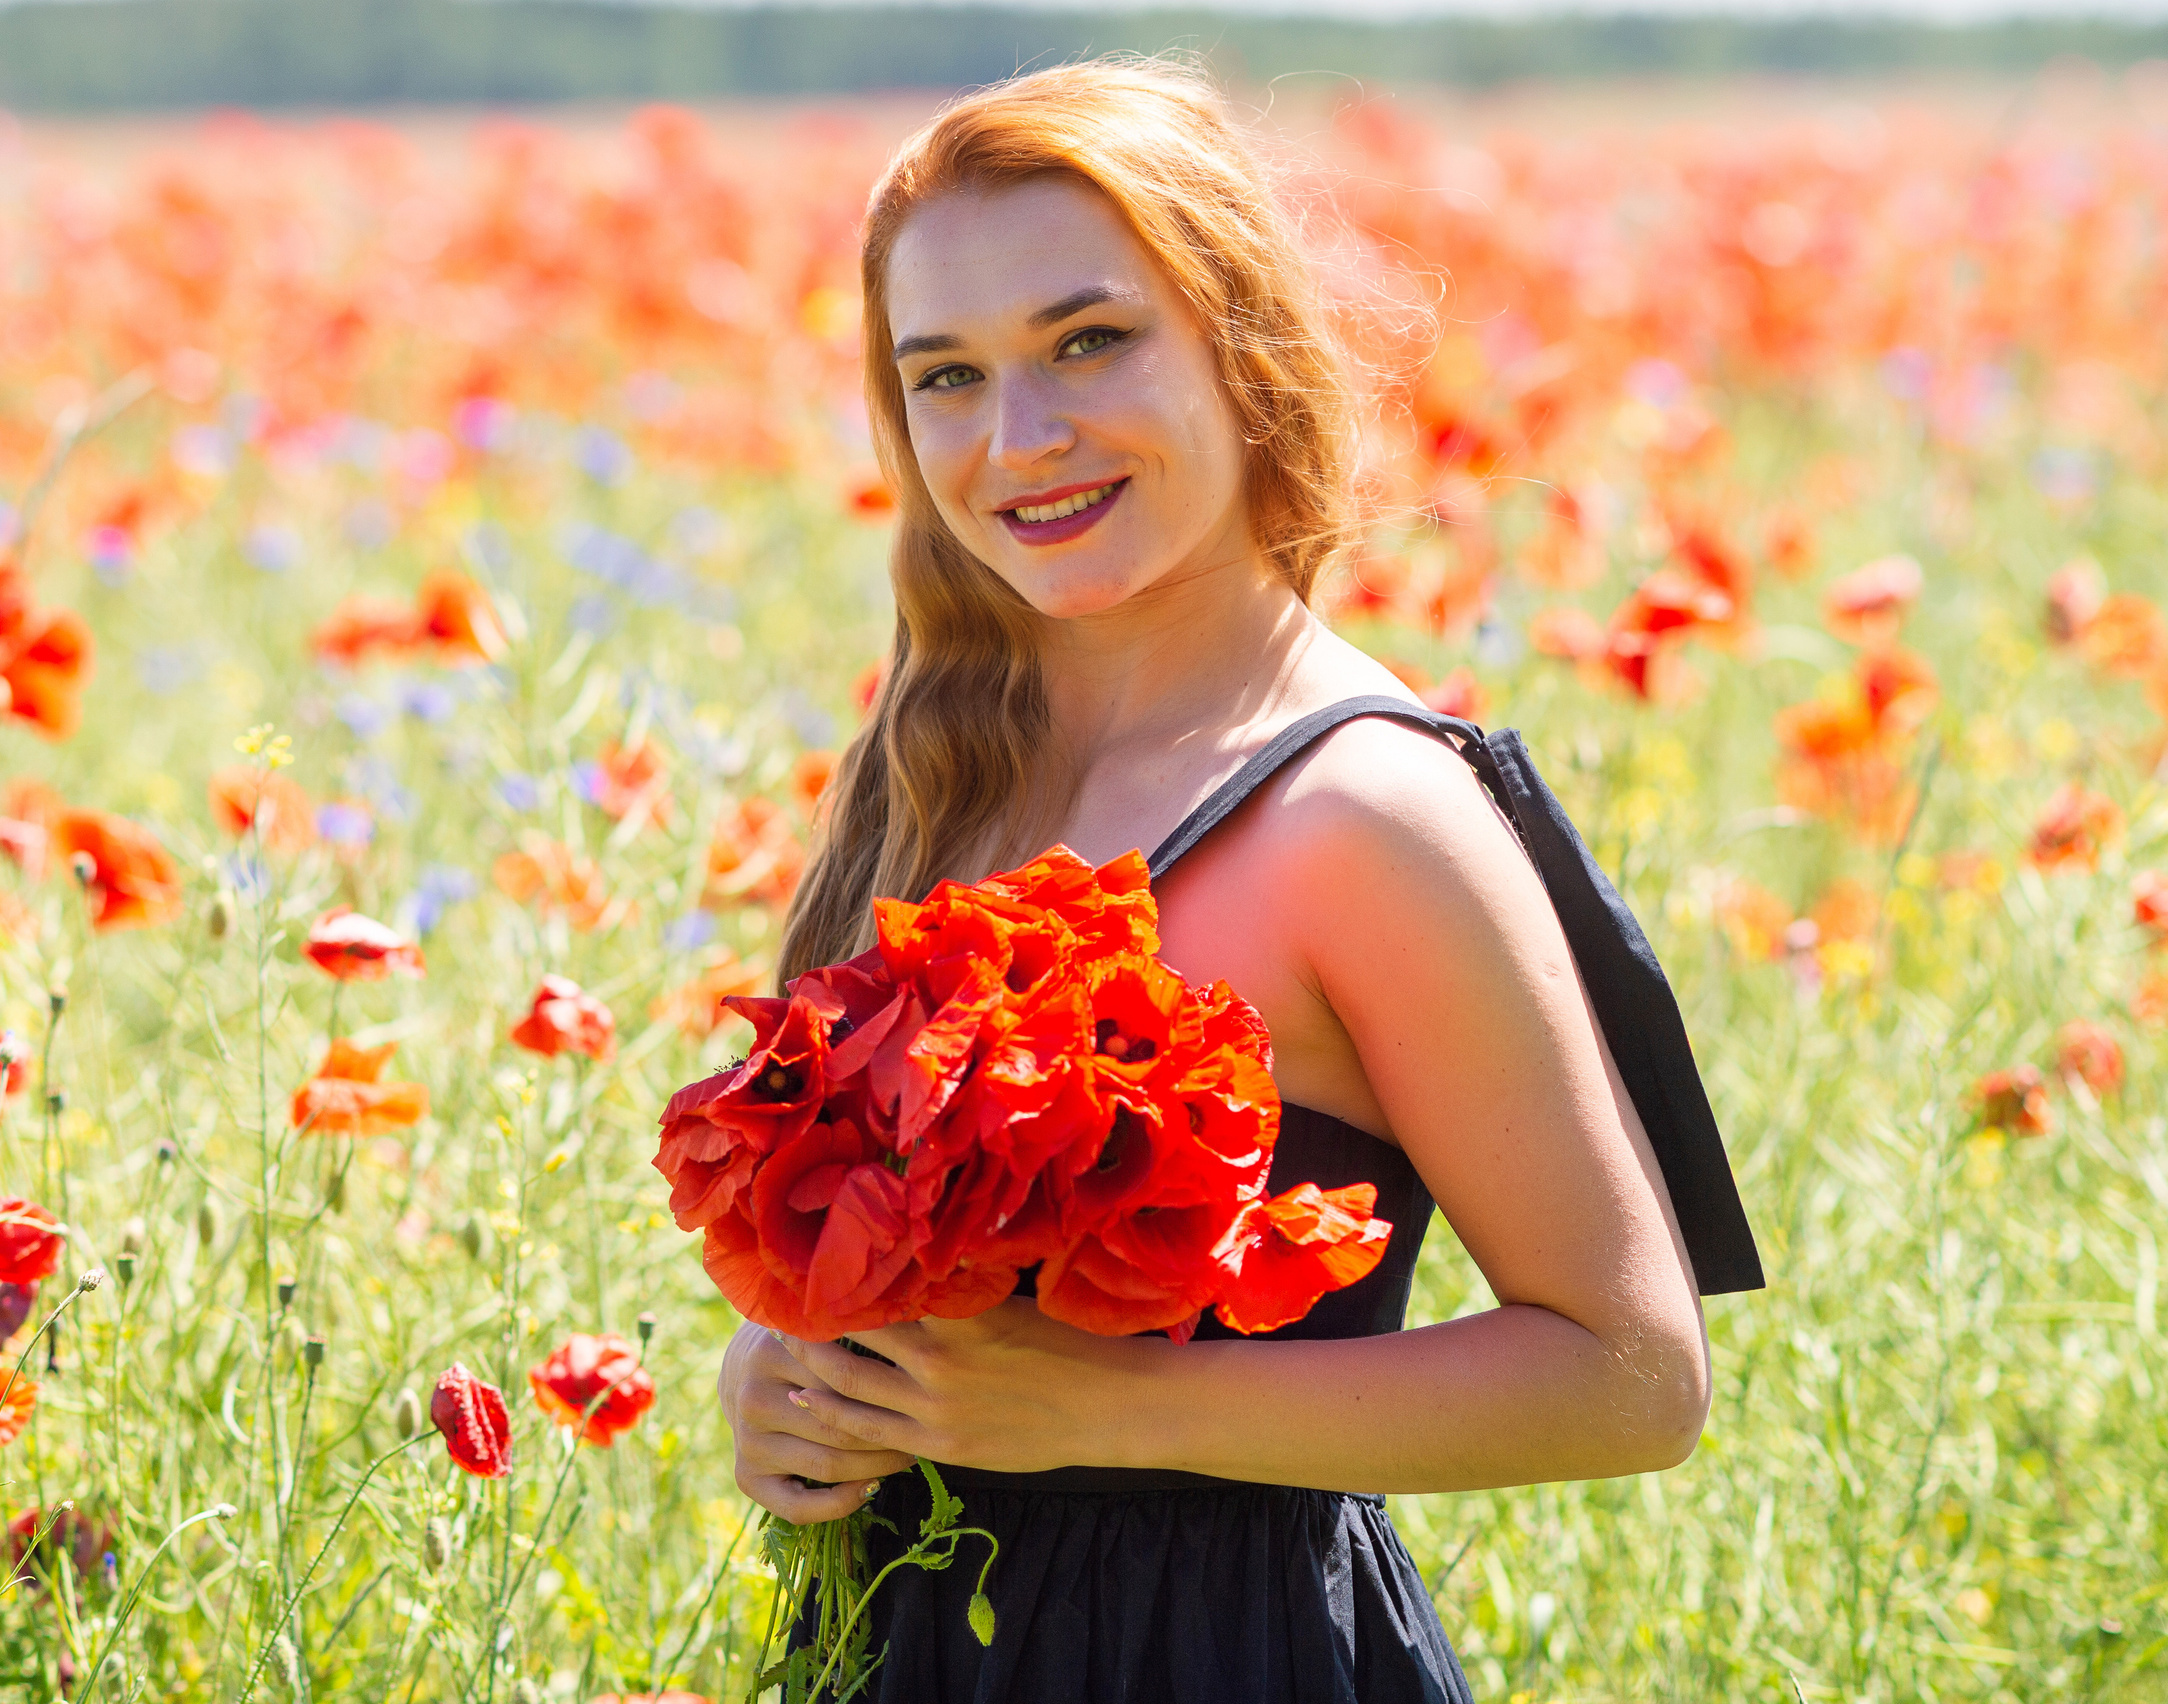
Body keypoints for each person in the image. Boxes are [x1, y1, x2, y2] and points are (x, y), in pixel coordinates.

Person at [717, 59, 1747, 1702]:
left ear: (1241, 342)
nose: (1021, 437)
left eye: (1090, 341)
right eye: (947, 376)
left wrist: (1120, 1412)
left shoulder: (1365, 810)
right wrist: (782, 1380)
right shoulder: (932, 765)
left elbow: (1631, 1377)